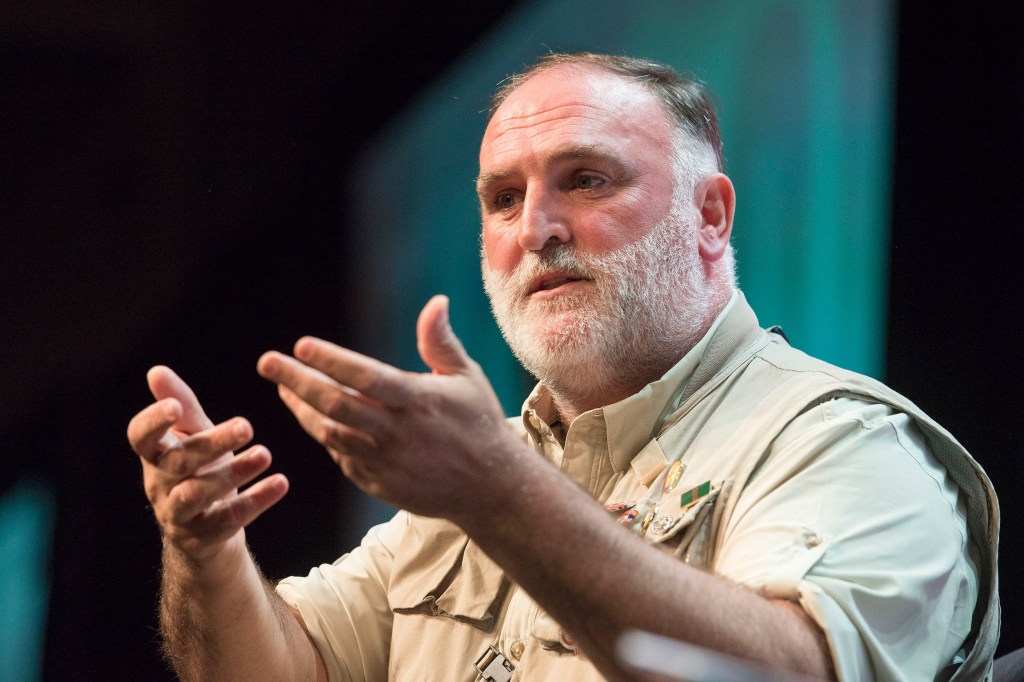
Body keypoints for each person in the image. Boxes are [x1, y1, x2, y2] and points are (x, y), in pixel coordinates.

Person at [127, 53, 999, 681]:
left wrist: (499, 493)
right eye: (503, 198)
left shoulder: (845, 442)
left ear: (711, 215)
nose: (535, 228)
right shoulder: (484, 470)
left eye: (584, 180)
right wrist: (203, 548)